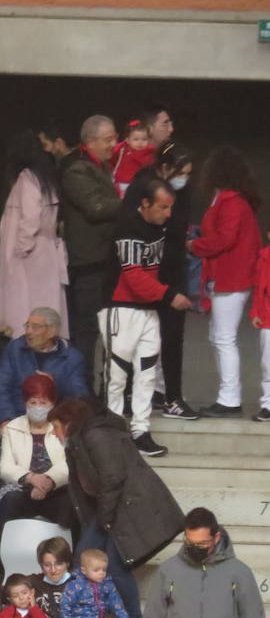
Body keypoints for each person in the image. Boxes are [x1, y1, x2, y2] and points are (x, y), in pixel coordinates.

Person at [50, 395, 182, 618]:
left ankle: (133, 617)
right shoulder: (78, 441)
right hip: (108, 510)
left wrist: (106, 519)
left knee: (114, 564)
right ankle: (90, 610)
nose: (53, 432)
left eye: (55, 426)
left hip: (127, 508)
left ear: (68, 423)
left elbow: (113, 478)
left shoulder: (97, 436)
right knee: (84, 556)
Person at [103, 177, 191, 457]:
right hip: (120, 308)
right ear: (145, 204)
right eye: (163, 207)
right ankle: (113, 431)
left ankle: (140, 430)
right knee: (116, 376)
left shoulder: (162, 227)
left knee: (147, 374)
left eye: (170, 207)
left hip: (148, 309)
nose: (168, 213)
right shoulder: (127, 227)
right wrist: (170, 295)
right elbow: (133, 277)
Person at [124, 140, 196, 418]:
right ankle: (135, 394)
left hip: (173, 268)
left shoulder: (184, 191)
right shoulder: (142, 186)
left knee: (173, 336)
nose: (184, 179)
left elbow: (178, 229)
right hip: (148, 270)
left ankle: (172, 396)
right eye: (181, 172)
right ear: (165, 168)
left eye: (189, 173)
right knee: (138, 336)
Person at [190, 145, 261, 418]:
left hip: (231, 277)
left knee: (223, 338)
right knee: (220, 337)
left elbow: (224, 239)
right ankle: (228, 396)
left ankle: (230, 399)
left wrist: (195, 245)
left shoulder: (231, 202)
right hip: (231, 276)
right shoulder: (231, 200)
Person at [60, 114, 122, 370]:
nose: (114, 144)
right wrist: (133, 203)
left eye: (115, 138)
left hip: (102, 261)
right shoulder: (77, 169)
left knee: (98, 330)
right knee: (85, 331)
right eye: (108, 139)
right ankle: (80, 392)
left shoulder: (100, 167)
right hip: (87, 264)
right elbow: (95, 207)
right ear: (91, 141)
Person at [0, 129, 68, 339]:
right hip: (45, 250)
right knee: (46, 303)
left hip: (29, 255)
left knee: (24, 305)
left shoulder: (27, 179)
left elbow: (30, 216)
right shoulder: (46, 178)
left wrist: (20, 249)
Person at [0, 373, 70, 538]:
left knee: (70, 503)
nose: (38, 407)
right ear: (25, 403)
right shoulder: (11, 428)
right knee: (10, 501)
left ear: (53, 403)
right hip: (23, 489)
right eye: (33, 402)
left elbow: (69, 462)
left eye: (43, 403)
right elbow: (5, 468)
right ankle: (1, 560)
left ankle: (71, 558)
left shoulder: (62, 426)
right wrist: (31, 478)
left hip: (57, 489)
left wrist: (49, 480)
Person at [0, 305, 90, 425]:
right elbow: (1, 388)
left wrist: (55, 384)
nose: (28, 332)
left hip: (54, 423)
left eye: (35, 327)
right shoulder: (14, 349)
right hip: (18, 418)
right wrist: (6, 419)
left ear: (52, 331)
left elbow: (80, 397)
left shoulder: (72, 358)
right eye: (27, 326)